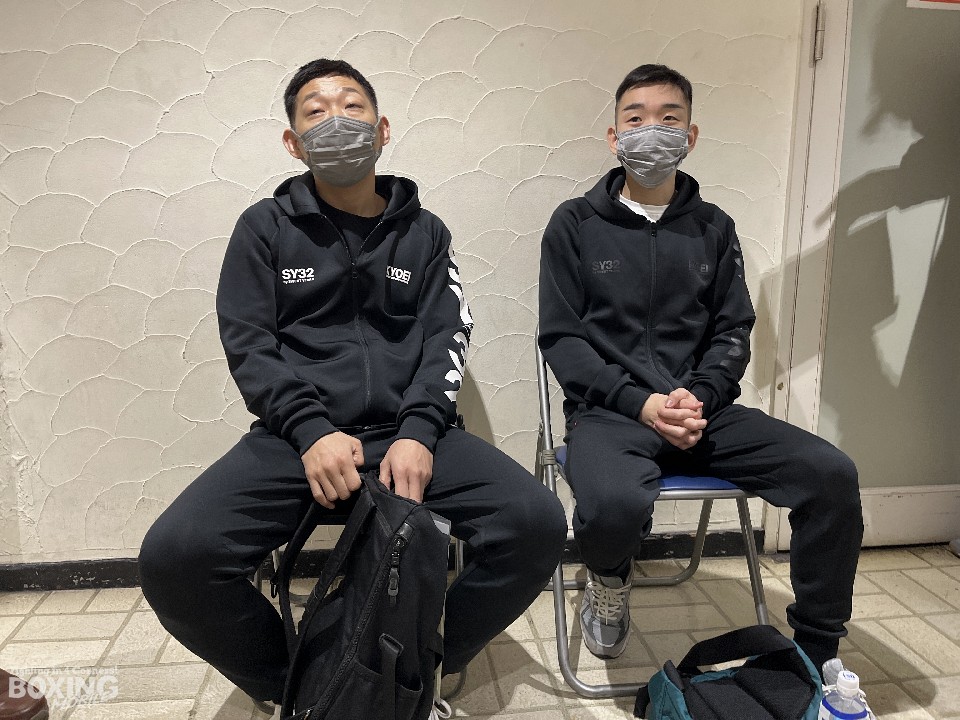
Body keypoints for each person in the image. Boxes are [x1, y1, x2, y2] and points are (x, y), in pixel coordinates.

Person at [138, 58, 566, 714]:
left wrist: (419, 432)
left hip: (410, 436)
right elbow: (249, 345)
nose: (336, 120)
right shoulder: (264, 228)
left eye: (352, 106)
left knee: (534, 524)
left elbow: (447, 337)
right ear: (293, 142)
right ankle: (297, 687)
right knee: (176, 558)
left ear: (383, 128)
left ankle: (416, 670)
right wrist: (310, 432)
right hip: (297, 440)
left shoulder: (425, 232)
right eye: (316, 111)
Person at [538, 63, 863, 673]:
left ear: (690, 136)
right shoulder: (574, 225)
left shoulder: (714, 226)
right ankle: (609, 578)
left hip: (702, 411)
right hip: (611, 413)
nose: (651, 130)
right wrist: (641, 404)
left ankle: (816, 647)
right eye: (635, 118)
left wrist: (701, 396)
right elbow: (561, 338)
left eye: (669, 119)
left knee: (830, 475)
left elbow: (733, 329)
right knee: (611, 505)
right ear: (613, 136)